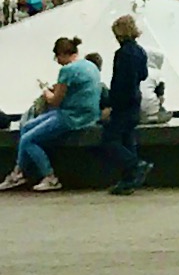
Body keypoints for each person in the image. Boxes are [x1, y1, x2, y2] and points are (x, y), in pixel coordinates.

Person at [1, 38, 106, 192]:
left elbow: (55, 101)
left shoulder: (67, 71)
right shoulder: (90, 65)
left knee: (28, 139)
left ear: (62, 54)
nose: (58, 62)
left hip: (72, 117)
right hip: (89, 114)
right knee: (28, 126)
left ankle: (49, 176)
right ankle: (18, 172)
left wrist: (44, 90)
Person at [99, 14, 154, 193]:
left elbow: (119, 82)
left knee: (110, 140)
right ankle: (128, 180)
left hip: (123, 102)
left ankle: (136, 165)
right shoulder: (140, 51)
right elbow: (144, 75)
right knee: (128, 139)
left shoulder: (122, 53)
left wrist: (110, 103)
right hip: (135, 99)